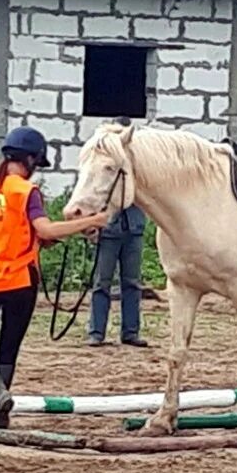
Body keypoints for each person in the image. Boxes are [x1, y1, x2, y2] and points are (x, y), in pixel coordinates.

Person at [0, 125, 108, 429]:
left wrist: (40, 239)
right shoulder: (27, 191)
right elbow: (44, 229)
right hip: (19, 280)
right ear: (29, 159)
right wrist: (92, 221)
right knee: (7, 351)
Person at [86, 117, 149, 348]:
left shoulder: (135, 165)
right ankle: (96, 332)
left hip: (133, 228)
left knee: (132, 282)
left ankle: (130, 332)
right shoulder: (105, 163)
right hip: (110, 228)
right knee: (102, 281)